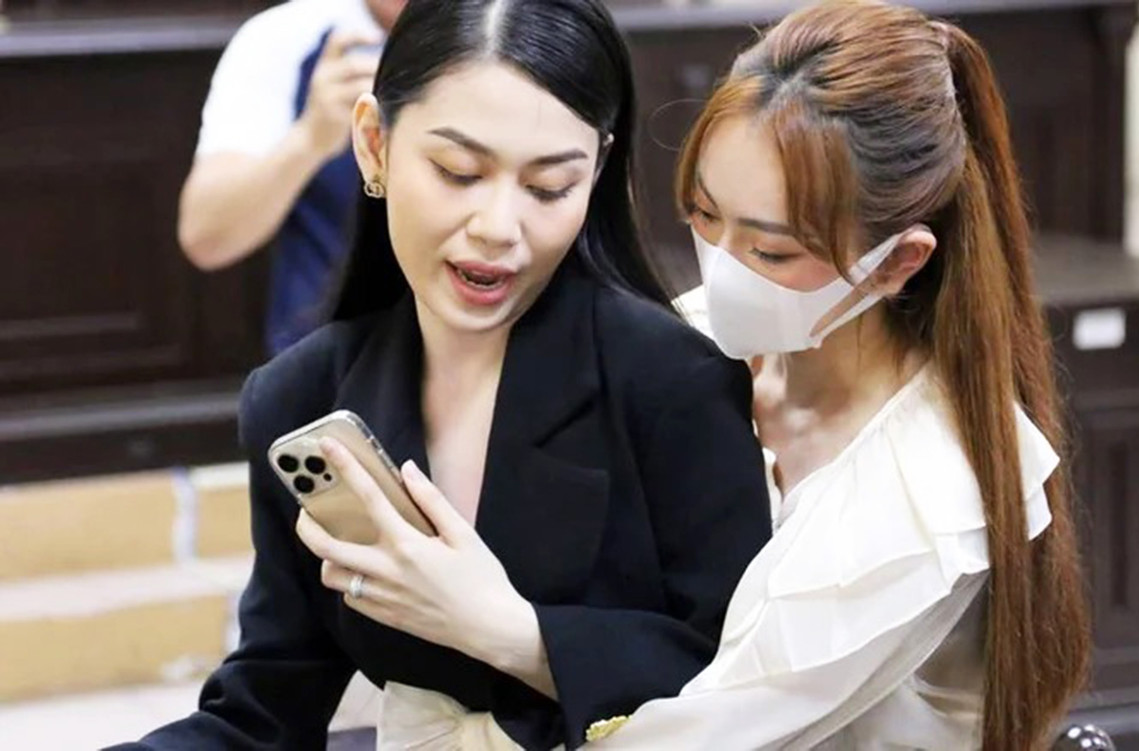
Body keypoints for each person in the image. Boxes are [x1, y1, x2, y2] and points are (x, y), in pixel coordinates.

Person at [109, 1, 772, 749]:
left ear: (595, 171)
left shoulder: (674, 382)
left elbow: (747, 681)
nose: (498, 227)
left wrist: (514, 634)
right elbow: (264, 711)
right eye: (459, 172)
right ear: (374, 144)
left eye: (549, 186)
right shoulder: (302, 397)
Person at [591, 1, 1091, 748]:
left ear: (896, 262)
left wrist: (506, 634)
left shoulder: (933, 483)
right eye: (704, 215)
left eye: (772, 252)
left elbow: (703, 732)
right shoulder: (691, 338)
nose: (722, 270)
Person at [178, 0, 408, 355]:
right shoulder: (284, 39)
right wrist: (310, 138)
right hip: (329, 357)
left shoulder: (496, 24)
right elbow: (205, 236)